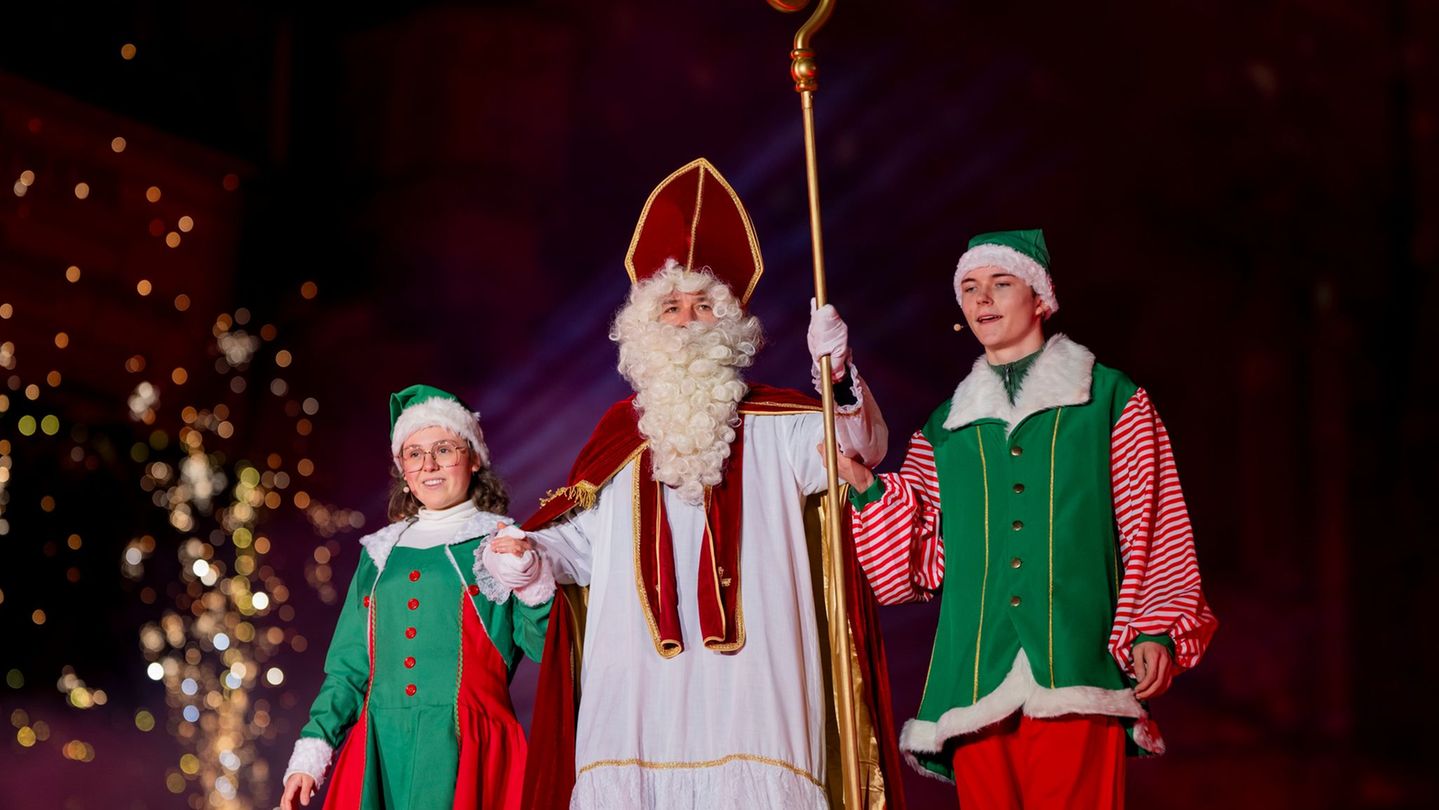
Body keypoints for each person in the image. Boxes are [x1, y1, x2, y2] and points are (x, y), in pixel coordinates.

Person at [489, 158, 904, 809]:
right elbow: (581, 547)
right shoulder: (617, 443)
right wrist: (531, 557)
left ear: (730, 320)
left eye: (702, 306)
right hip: (636, 702)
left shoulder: (782, 426)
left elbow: (858, 448)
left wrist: (839, 376)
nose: (685, 322)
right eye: (671, 308)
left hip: (755, 695)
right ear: (646, 327)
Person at [838, 230, 1218, 809]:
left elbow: (1155, 516)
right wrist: (866, 488)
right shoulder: (946, 428)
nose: (982, 298)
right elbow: (910, 567)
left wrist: (1154, 627)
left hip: (1077, 662)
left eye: (1001, 283)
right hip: (974, 674)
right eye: (970, 287)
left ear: (1040, 298)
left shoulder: (1108, 399)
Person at [280, 385, 553, 810]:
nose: (429, 464)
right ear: (402, 470)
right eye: (414, 453)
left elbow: (543, 647)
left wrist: (532, 580)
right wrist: (312, 754)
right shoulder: (379, 553)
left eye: (444, 449)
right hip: (379, 751)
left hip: (469, 747)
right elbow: (349, 669)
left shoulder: (502, 542)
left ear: (474, 458)